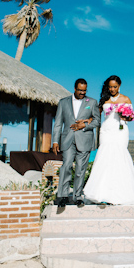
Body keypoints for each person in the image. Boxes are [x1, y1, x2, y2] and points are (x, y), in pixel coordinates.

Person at [83, 75, 134, 205]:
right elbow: (96, 115)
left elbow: (131, 118)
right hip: (106, 130)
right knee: (105, 157)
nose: (112, 89)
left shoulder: (126, 99)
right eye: (110, 87)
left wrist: (124, 115)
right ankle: (102, 193)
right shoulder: (104, 100)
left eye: (115, 87)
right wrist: (87, 120)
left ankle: (120, 194)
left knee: (119, 156)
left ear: (119, 86)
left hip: (120, 131)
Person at [52, 78, 101, 208]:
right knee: (66, 166)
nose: (82, 93)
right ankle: (62, 196)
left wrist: (84, 125)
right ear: (74, 88)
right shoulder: (63, 102)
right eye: (79, 90)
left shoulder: (92, 102)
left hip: (84, 140)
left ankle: (77, 197)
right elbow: (57, 124)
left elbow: (97, 121)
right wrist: (55, 141)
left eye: (84, 91)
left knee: (80, 170)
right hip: (67, 139)